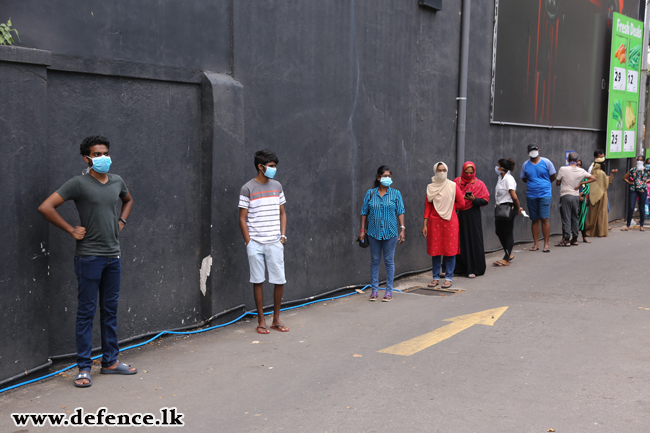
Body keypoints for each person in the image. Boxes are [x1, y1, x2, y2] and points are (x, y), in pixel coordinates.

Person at [37, 136, 136, 388]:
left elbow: (128, 200)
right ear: (87, 158)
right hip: (89, 256)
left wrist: (122, 221)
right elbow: (46, 207)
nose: (103, 158)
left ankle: (111, 362)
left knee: (110, 310)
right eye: (97, 154)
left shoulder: (117, 181)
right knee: (86, 312)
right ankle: (83, 367)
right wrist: (71, 230)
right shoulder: (78, 184)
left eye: (105, 153)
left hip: (113, 256)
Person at [238, 149, 289, 334]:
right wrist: (249, 242)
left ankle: (276, 319)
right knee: (258, 281)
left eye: (275, 166)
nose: (274, 169)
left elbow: (282, 212)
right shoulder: (247, 188)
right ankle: (261, 321)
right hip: (255, 243)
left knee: (279, 280)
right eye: (271, 166)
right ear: (261, 166)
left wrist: (282, 237)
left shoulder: (277, 186)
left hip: (275, 241)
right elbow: (242, 218)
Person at [358, 166, 406, 302]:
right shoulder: (371, 193)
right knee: (374, 261)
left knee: (389, 261)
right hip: (374, 233)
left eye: (389, 176)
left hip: (390, 233)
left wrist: (402, 229)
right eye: (384, 176)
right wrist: (362, 230)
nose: (387, 179)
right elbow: (364, 212)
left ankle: (388, 291)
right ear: (378, 178)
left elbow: (400, 211)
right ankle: (374, 291)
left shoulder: (396, 194)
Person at [423, 162, 464, 289]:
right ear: (435, 171)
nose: (441, 172)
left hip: (450, 222)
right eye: (439, 170)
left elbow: (461, 203)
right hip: (434, 222)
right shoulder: (431, 187)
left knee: (450, 250)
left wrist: (450, 208)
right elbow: (428, 206)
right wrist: (425, 224)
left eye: (444, 170)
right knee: (436, 251)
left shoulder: (452, 186)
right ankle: (435, 278)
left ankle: (448, 278)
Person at [453, 161, 489, 278]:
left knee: (473, 240)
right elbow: (450, 196)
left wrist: (474, 199)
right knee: (460, 241)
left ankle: (473, 268)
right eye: (466, 172)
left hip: (473, 215)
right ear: (463, 171)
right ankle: (459, 268)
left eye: (471, 173)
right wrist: (460, 198)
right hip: (459, 214)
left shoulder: (479, 184)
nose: (468, 175)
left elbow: (485, 200)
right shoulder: (456, 182)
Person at [520, 143, 556, 252]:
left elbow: (553, 176)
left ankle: (546, 244)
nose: (534, 152)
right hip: (531, 195)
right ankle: (536, 244)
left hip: (545, 194)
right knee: (534, 219)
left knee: (544, 218)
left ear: (539, 150)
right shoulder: (525, 165)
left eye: (535, 150)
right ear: (528, 152)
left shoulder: (546, 162)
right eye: (531, 150)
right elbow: (524, 178)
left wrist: (544, 184)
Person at [555, 152, 596, 246]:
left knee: (566, 217)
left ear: (568, 160)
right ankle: (575, 238)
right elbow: (593, 178)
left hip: (565, 195)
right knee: (575, 217)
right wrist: (580, 184)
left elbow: (557, 183)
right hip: (576, 196)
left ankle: (566, 239)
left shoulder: (563, 169)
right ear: (577, 161)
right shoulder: (581, 171)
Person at [493, 158, 522, 267]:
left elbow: (513, 196)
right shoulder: (500, 178)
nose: (496, 168)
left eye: (498, 166)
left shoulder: (508, 179)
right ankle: (508, 253)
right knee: (499, 231)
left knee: (508, 232)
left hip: (508, 208)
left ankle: (506, 257)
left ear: (502, 168)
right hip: (500, 208)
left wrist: (518, 208)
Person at [588, 150, 618, 231]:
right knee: (597, 211)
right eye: (600, 157)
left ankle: (600, 227)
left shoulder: (601, 172)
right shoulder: (593, 169)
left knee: (603, 210)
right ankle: (596, 229)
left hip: (601, 192)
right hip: (596, 193)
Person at [585, 158, 613, 237]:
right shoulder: (601, 173)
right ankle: (600, 232)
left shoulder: (592, 172)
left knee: (592, 214)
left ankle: (590, 231)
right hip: (602, 195)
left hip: (593, 195)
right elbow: (607, 184)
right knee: (601, 214)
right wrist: (611, 175)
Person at [621, 156, 648, 231]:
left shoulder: (646, 170)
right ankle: (628, 225)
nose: (639, 161)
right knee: (631, 207)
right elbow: (624, 178)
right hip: (634, 189)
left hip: (643, 189)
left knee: (641, 207)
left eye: (641, 160)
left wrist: (647, 181)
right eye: (638, 160)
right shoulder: (633, 170)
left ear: (643, 162)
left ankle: (641, 225)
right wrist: (629, 182)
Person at [576, 159, 592, 243]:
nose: (578, 166)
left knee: (582, 218)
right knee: (572, 218)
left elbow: (587, 187)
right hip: (573, 199)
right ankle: (569, 237)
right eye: (577, 165)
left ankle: (584, 237)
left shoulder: (584, 175)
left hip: (582, 200)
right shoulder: (570, 174)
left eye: (579, 165)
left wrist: (581, 194)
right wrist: (577, 195)